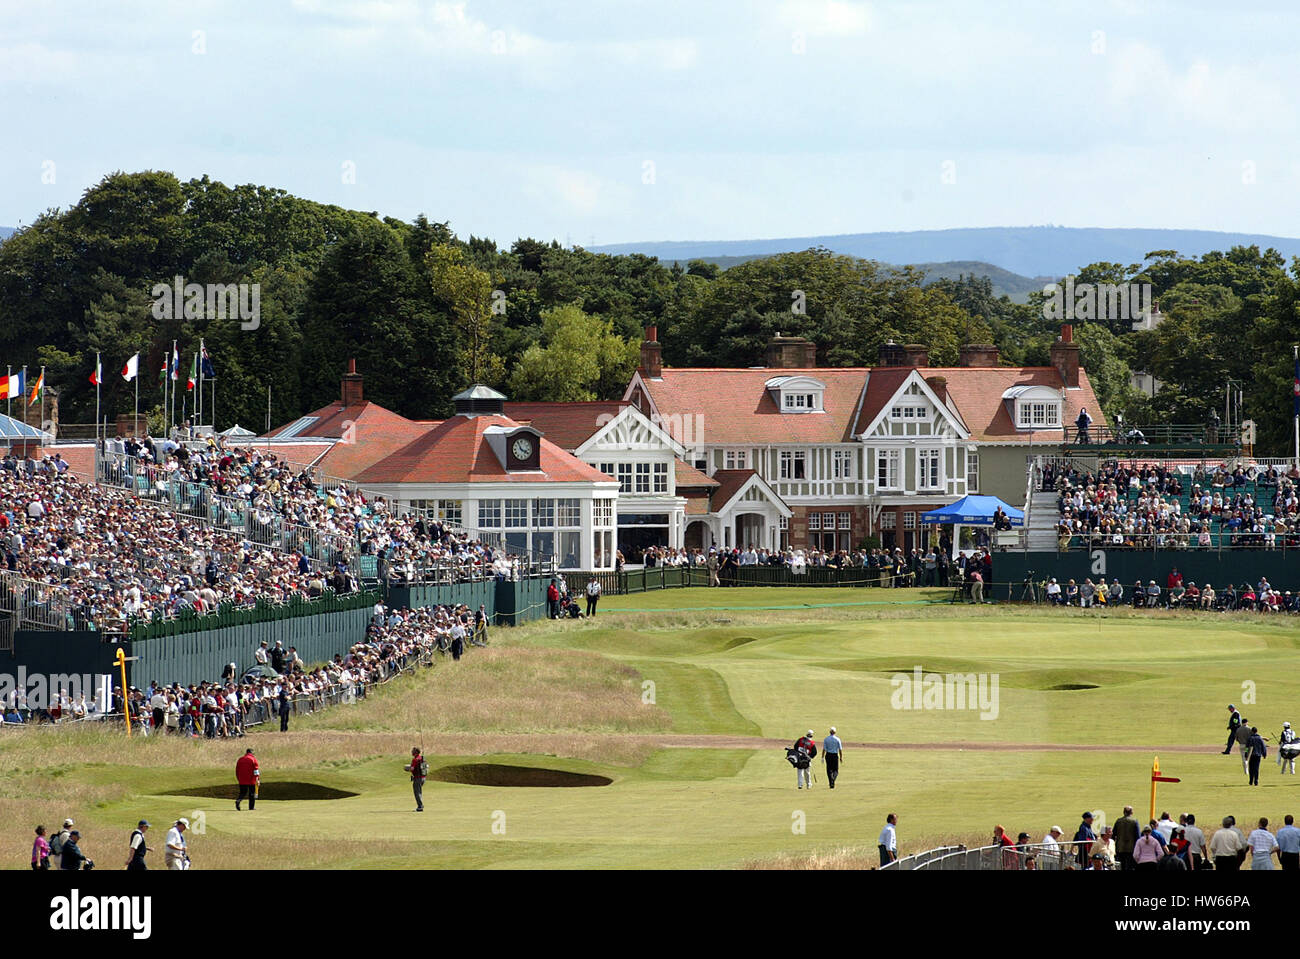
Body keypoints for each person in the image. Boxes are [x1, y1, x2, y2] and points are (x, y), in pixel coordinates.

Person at [1113, 805, 1139, 871]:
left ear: (1123, 812)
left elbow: (1113, 834)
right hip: (1131, 848)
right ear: (1131, 813)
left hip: (1120, 848)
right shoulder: (1134, 821)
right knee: (1130, 866)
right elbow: (1137, 836)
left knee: (1121, 866)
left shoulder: (1118, 821)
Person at [405, 746, 427, 812]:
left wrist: (407, 769)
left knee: (417, 792)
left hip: (417, 778)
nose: (412, 752)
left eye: (413, 751)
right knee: (419, 792)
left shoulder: (415, 760)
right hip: (423, 778)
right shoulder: (422, 759)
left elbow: (412, 769)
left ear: (415, 752)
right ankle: (420, 805)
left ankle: (420, 807)